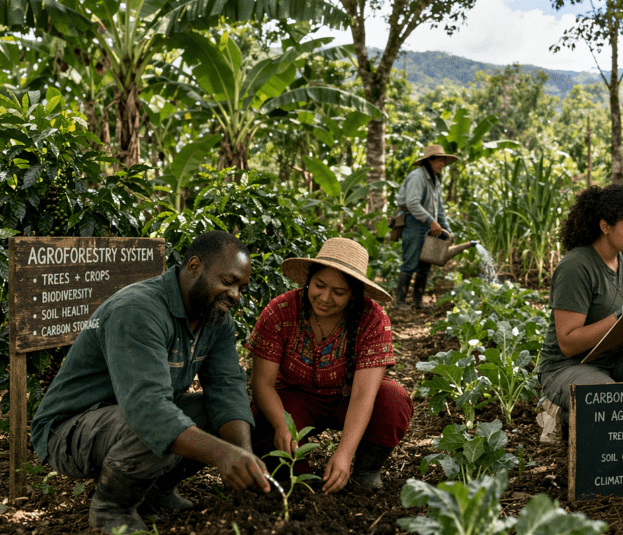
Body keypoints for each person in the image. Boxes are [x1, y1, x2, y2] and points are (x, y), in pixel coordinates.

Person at [31, 231, 271, 534]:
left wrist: (243, 455)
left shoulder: (216, 318)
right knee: (152, 422)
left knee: (222, 415)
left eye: (241, 287)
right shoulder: (137, 309)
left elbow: (227, 388)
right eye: (228, 281)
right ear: (194, 266)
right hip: (68, 429)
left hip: (126, 415)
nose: (235, 295)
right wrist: (223, 454)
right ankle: (111, 507)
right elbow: (147, 409)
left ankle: (156, 490)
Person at [246, 237, 413, 494]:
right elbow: (262, 384)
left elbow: (363, 395)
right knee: (263, 423)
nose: (325, 297)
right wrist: (282, 425)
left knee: (393, 399)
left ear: (354, 293)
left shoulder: (373, 318)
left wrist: (344, 453)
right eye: (319, 285)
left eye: (338, 292)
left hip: (347, 399)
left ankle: (366, 472)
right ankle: (299, 474)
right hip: (295, 400)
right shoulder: (280, 312)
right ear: (308, 281)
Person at [536, 184, 623, 438]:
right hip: (568, 365)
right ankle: (561, 411)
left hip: (615, 356)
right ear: (605, 227)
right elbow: (568, 343)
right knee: (607, 401)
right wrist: (620, 317)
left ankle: (601, 409)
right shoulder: (576, 267)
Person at [393, 144, 457, 309]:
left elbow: (439, 210)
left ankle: (417, 302)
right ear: (430, 161)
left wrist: (447, 230)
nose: (443, 164)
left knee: (425, 265)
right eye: (440, 160)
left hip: (428, 225)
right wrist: (430, 221)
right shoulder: (417, 177)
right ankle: (400, 302)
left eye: (444, 161)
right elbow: (412, 203)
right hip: (413, 223)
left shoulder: (435, 179)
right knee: (410, 262)